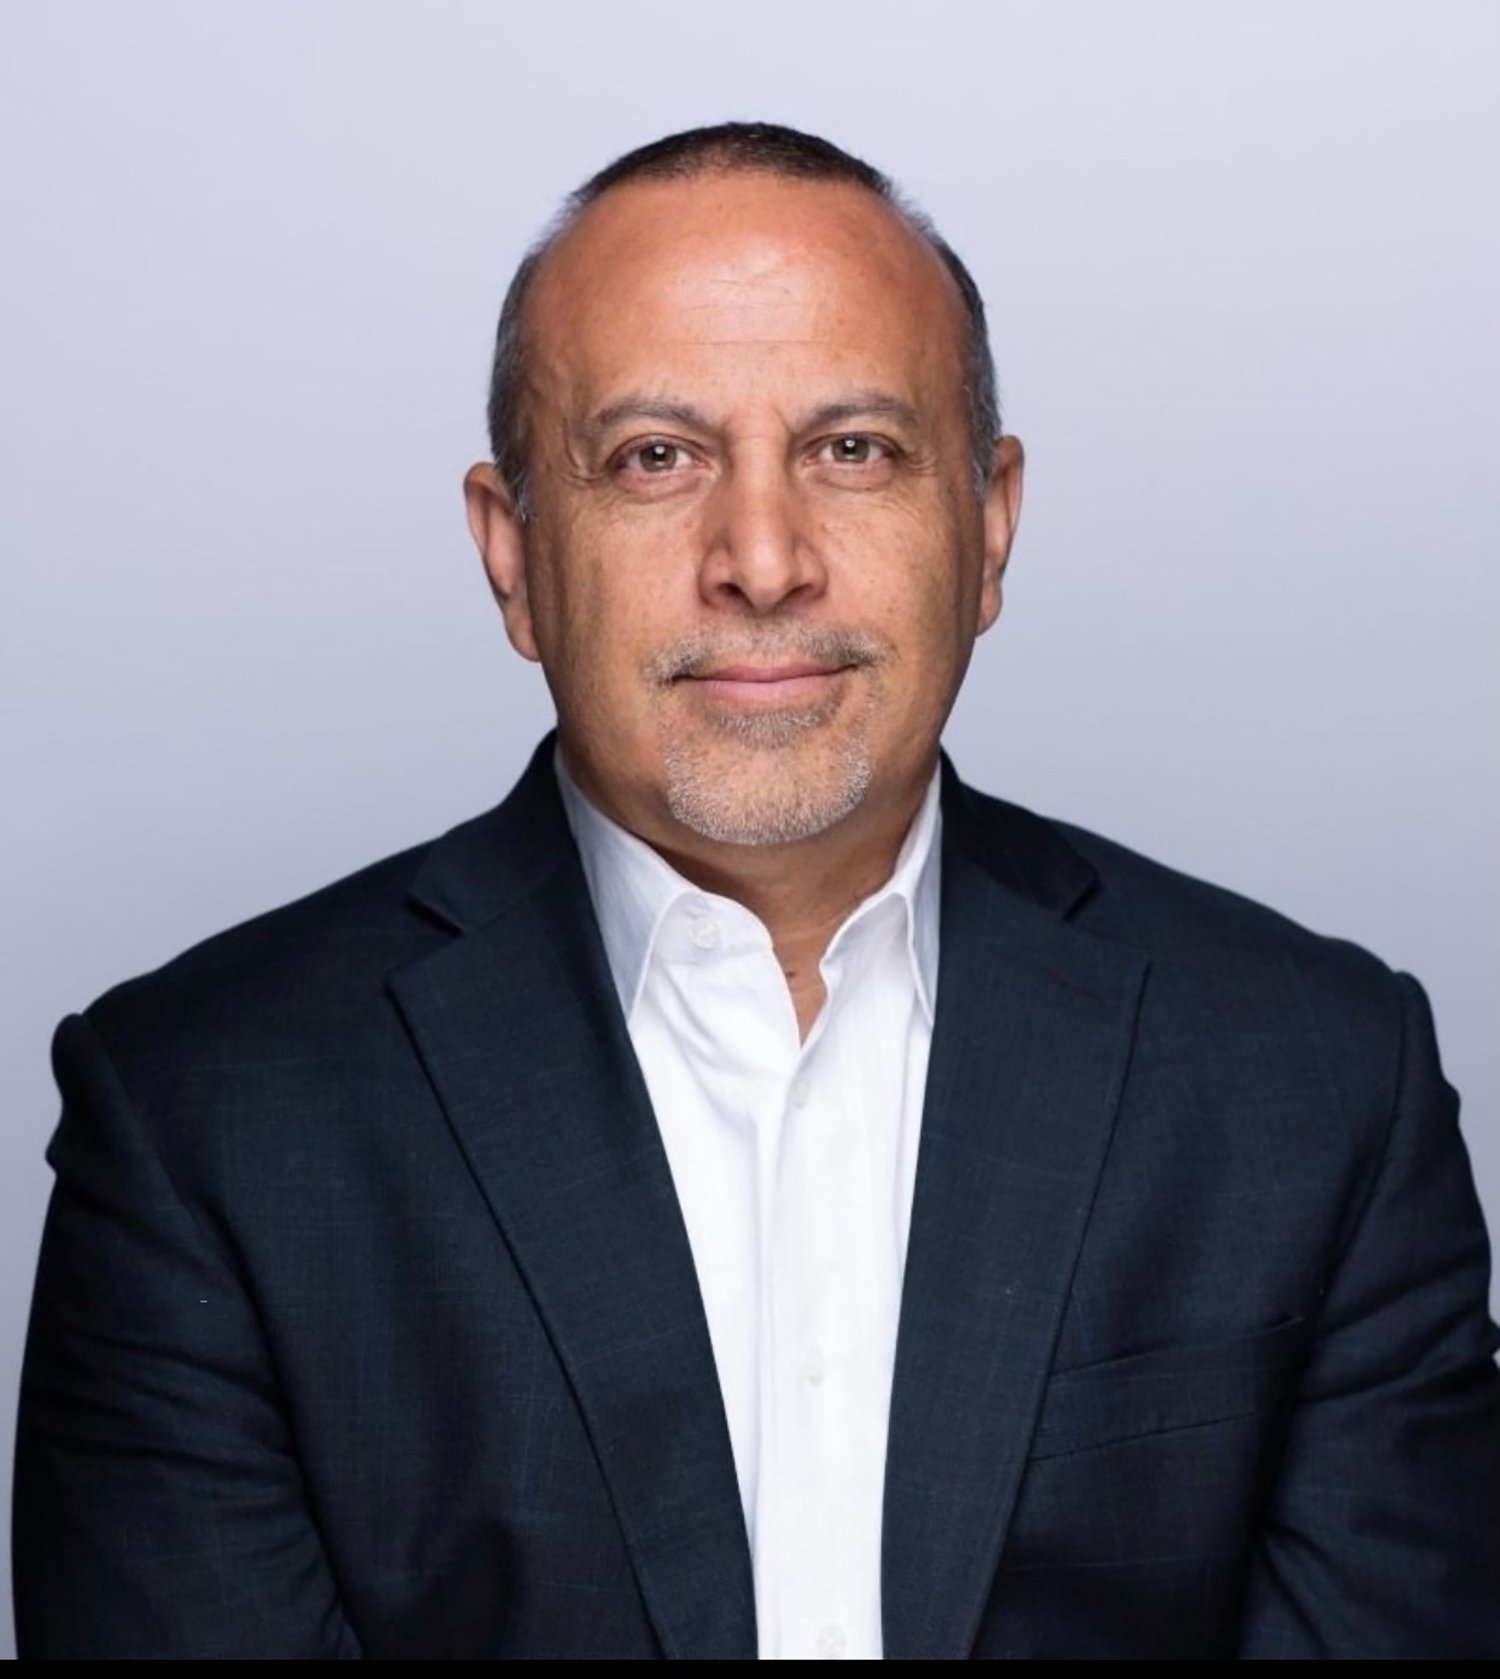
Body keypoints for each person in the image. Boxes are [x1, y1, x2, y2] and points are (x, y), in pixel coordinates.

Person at [12, 121, 1500, 1661]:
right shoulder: (205, 1120)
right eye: (657, 459)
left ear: (988, 524)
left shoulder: (1316, 1081)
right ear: (514, 553)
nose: (765, 559)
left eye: (853, 449)